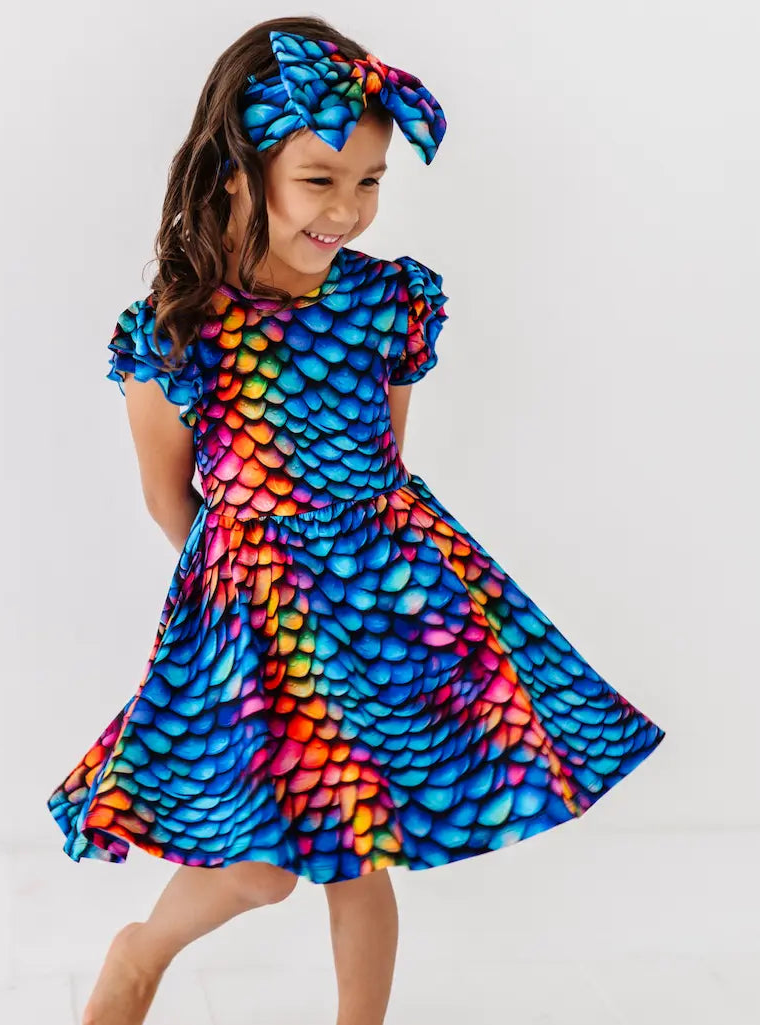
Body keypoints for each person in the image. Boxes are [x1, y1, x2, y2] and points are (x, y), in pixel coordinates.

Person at [47, 17, 667, 1025]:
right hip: (250, 610)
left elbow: (384, 463)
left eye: (370, 180)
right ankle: (140, 950)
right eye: (320, 179)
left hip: (385, 591)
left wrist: (360, 583)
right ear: (240, 171)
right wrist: (256, 590)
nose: (348, 208)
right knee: (257, 869)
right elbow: (170, 498)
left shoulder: (386, 303)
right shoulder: (178, 326)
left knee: (359, 843)